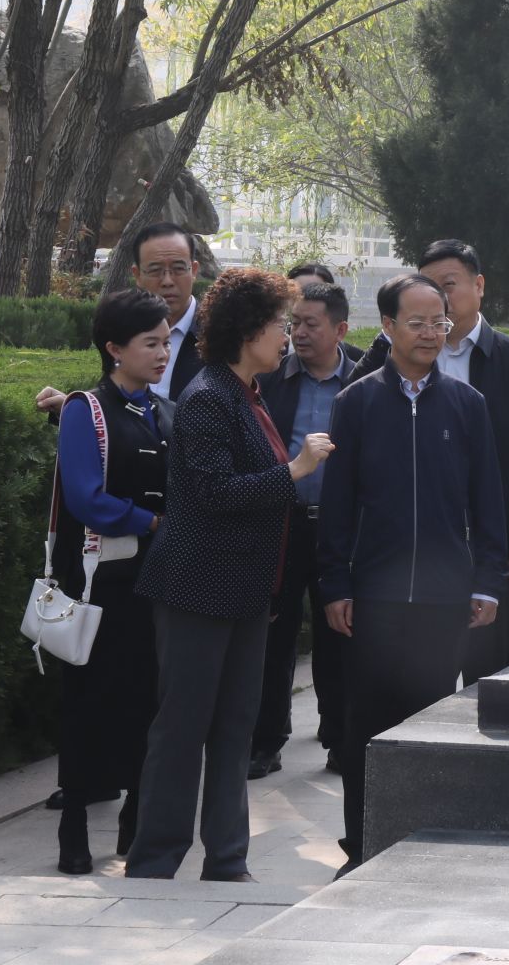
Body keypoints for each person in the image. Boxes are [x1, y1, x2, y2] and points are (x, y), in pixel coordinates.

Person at [126, 268, 334, 881]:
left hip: (244, 591)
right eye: (279, 324)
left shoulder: (247, 392)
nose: (288, 336)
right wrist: (294, 470)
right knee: (183, 727)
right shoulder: (209, 396)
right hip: (196, 589)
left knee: (236, 729)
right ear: (248, 331)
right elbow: (213, 493)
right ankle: (155, 861)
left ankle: (226, 859)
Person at [319, 273, 508, 875]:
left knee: (431, 725)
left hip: (442, 599)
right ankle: (360, 846)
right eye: (418, 322)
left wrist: (487, 580)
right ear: (389, 326)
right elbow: (337, 506)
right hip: (372, 598)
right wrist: (335, 584)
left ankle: (425, 845)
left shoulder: (467, 405)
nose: (431, 333)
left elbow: (488, 501)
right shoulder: (356, 403)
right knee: (364, 728)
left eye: (439, 322)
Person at [46, 289, 173, 875]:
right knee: (86, 703)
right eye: (151, 343)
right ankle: (73, 824)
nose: (163, 353)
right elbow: (85, 499)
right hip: (98, 584)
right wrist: (152, 521)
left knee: (148, 700)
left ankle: (135, 819)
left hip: (156, 582)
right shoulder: (85, 409)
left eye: (166, 341)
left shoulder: (166, 412)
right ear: (114, 348)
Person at [397, 240, 509, 679]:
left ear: (479, 285)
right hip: (423, 538)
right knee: (425, 672)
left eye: (448, 285)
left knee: (489, 668)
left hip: (490, 536)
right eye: (428, 287)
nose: (440, 298)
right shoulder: (410, 354)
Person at [250, 282, 354, 781]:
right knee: (275, 637)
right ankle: (266, 741)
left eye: (311, 323)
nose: (299, 333)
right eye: (294, 323)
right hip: (283, 522)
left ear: (340, 329)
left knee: (340, 636)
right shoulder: (271, 378)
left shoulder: (364, 378)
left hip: (341, 528)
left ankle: (339, 738)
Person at [34, 224, 205, 422]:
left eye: (178, 269)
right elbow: (123, 414)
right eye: (155, 270)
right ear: (137, 275)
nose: (167, 281)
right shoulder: (121, 328)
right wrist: (79, 409)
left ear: (194, 270)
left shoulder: (218, 336)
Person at [286, 264, 364, 366]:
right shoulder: (272, 361)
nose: (304, 300)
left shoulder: (360, 365)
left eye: (316, 291)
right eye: (296, 295)